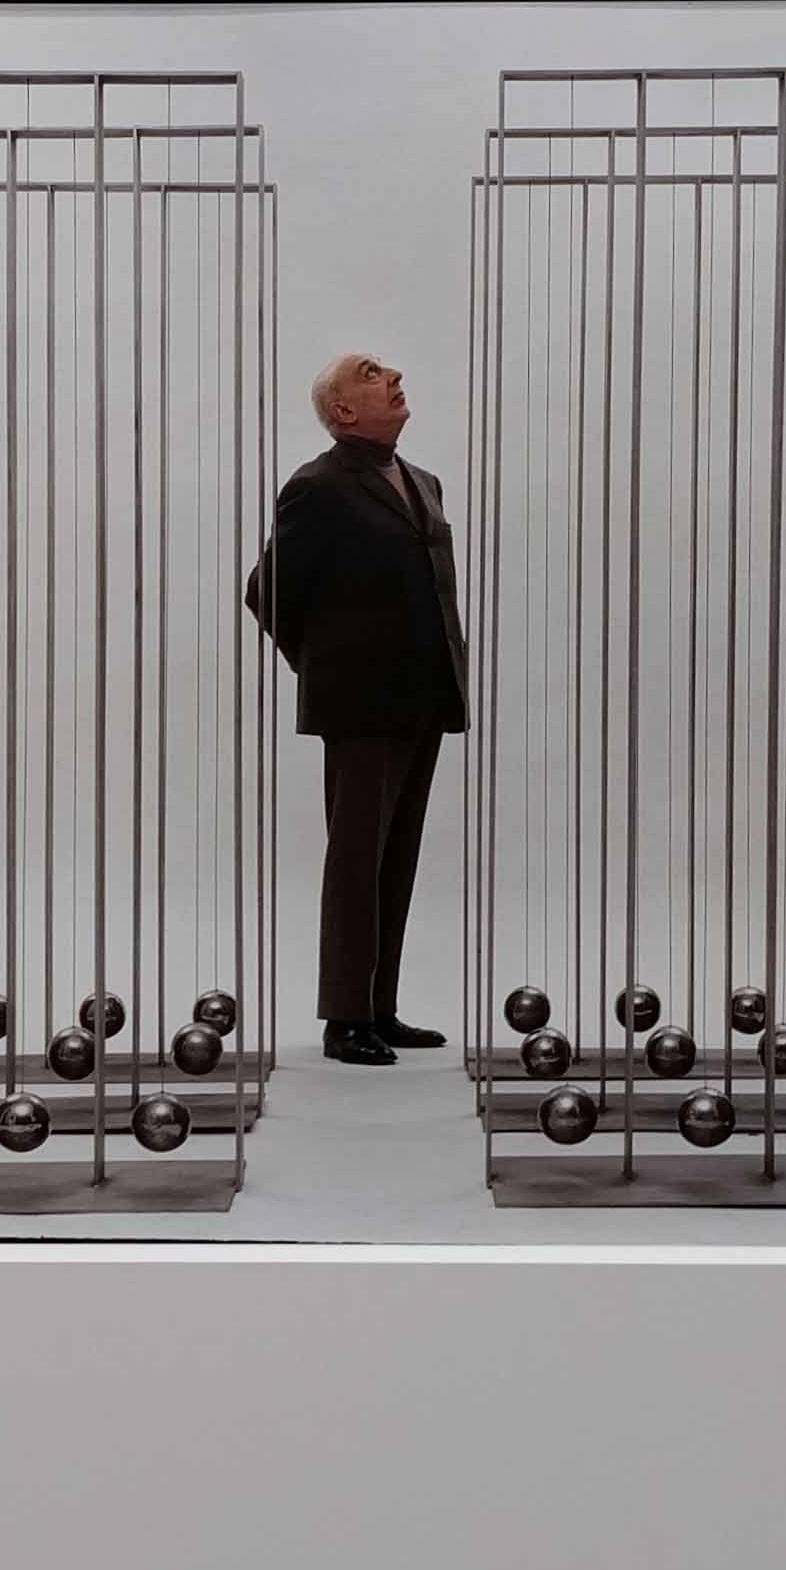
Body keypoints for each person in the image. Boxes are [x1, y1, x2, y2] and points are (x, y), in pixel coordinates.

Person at [245, 352, 467, 1065]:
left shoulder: (423, 481)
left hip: (425, 696)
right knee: (356, 862)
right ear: (342, 412)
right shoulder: (318, 486)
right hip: (361, 706)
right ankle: (344, 1019)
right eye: (370, 374)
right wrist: (327, 669)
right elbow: (267, 590)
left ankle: (379, 1008)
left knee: (396, 858)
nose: (394, 375)